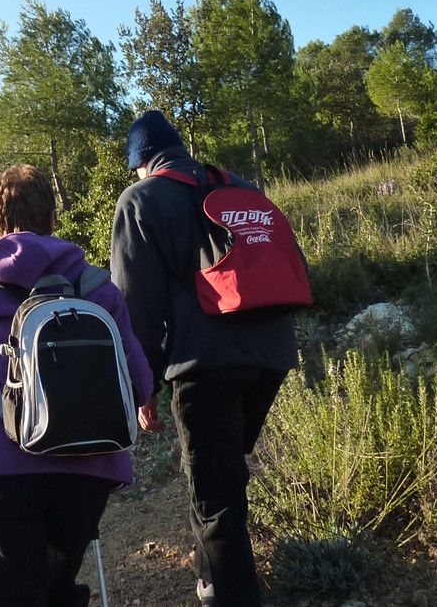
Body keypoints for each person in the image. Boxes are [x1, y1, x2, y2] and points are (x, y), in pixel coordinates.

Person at [0, 164, 154, 607]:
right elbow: (141, 386)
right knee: (57, 590)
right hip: (87, 473)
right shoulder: (98, 288)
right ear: (52, 218)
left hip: (2, 471)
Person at [110, 110, 299, 607]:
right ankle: (210, 579)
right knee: (220, 473)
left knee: (216, 495)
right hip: (272, 354)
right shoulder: (240, 187)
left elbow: (136, 307)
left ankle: (228, 594)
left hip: (207, 363)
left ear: (141, 163)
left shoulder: (140, 200)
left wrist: (142, 384)